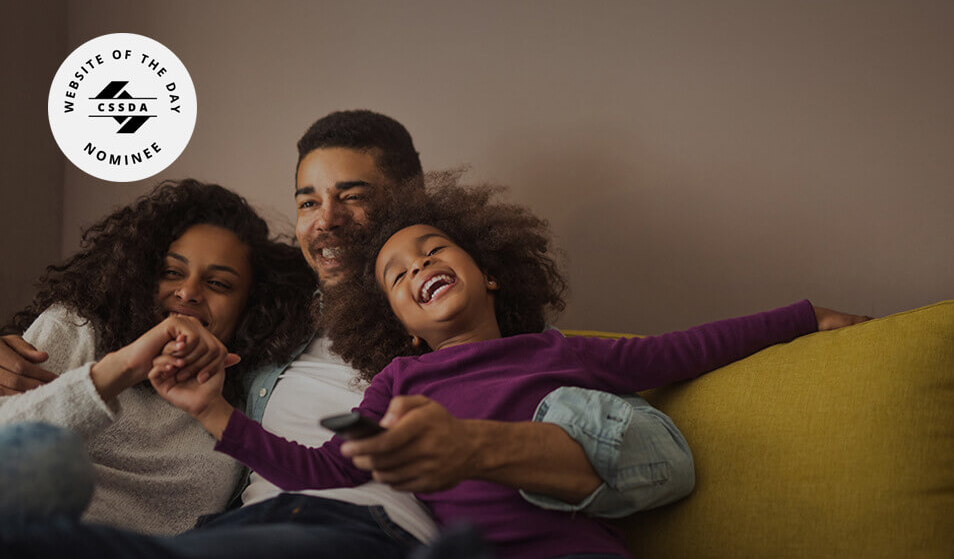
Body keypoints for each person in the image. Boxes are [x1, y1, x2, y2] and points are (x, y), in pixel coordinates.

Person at [148, 177, 868, 559]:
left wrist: (806, 317)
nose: (419, 265)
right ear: (397, 323)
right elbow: (324, 469)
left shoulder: (560, 351)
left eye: (432, 249)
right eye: (397, 275)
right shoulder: (401, 384)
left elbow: (689, 348)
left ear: (488, 273)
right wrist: (213, 409)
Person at [0, 179, 315, 534]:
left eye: (219, 284)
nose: (188, 292)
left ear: (251, 305)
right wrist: (124, 367)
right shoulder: (76, 327)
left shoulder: (238, 404)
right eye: (172, 272)